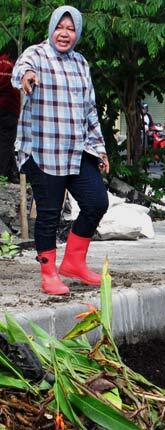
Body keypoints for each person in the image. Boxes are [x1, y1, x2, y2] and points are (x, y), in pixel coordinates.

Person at [12, 6, 109, 295]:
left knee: (96, 202)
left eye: (71, 29)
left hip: (78, 150)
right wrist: (27, 76)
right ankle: (48, 273)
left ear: (77, 33)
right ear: (52, 28)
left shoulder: (81, 63)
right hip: (44, 150)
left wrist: (100, 149)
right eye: (60, 27)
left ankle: (74, 263)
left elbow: (90, 110)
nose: (64, 34)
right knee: (49, 213)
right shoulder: (36, 54)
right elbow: (21, 69)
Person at [0, 51, 20, 183]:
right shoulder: (16, 65)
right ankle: (5, 173)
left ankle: (8, 173)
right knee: (7, 143)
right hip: (11, 108)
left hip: (5, 106)